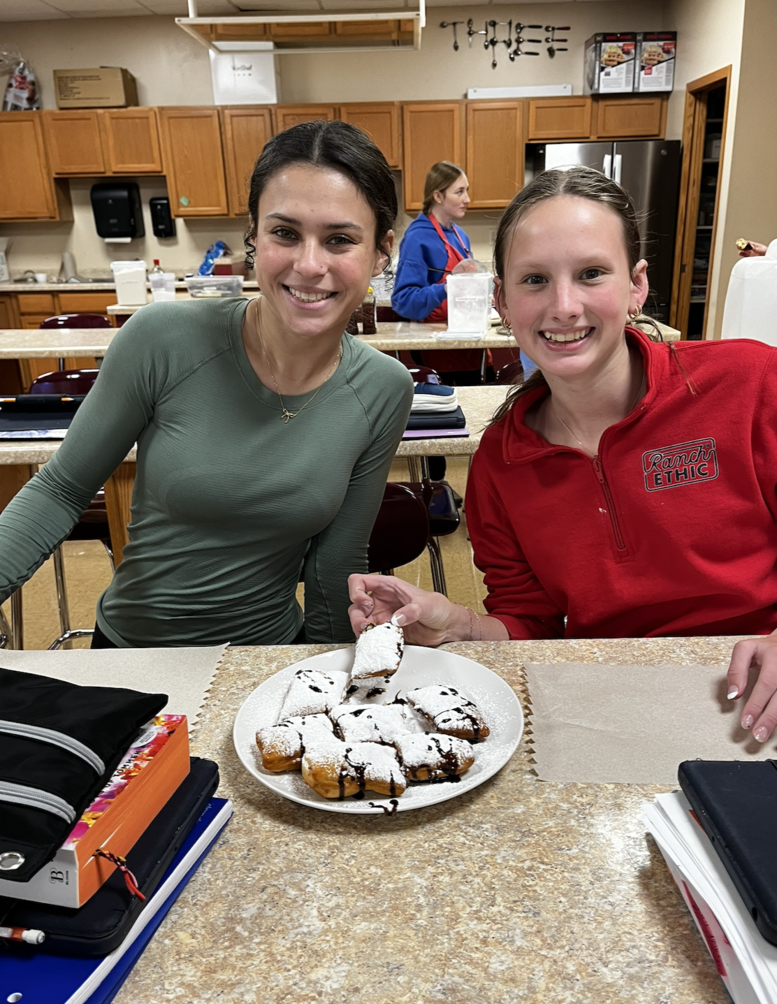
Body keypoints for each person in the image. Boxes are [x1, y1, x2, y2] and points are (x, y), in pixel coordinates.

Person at [349, 165, 777, 744]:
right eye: (534, 280)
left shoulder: (750, 383)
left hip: (760, 700)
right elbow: (531, 623)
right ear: (500, 298)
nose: (565, 305)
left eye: (592, 273)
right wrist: (459, 624)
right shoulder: (501, 462)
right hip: (611, 712)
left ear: (636, 285)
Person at [0, 121, 413, 648]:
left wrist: (333, 681)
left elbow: (338, 561)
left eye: (340, 239)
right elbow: (59, 490)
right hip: (132, 656)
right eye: (285, 233)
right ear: (254, 235)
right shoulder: (162, 339)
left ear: (381, 252)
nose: (309, 265)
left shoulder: (383, 388)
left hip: (266, 661)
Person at [391, 161, 488, 386]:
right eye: (459, 192)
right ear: (438, 196)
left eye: (467, 191)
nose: (467, 199)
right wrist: (447, 288)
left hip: (469, 340)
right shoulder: (417, 238)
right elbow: (404, 301)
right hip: (437, 350)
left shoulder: (460, 235)